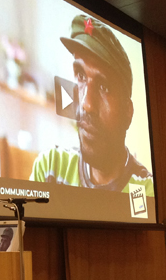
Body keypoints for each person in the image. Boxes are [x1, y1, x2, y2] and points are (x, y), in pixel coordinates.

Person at [30, 15, 153, 196]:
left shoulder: (145, 190)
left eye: (104, 87)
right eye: (80, 76)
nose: (86, 105)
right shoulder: (50, 167)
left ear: (128, 112)